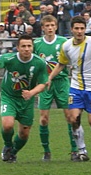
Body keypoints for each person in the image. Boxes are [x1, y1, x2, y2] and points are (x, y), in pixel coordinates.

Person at [47, 16, 91, 162]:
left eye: (82, 28)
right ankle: (82, 151)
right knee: (73, 118)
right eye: (76, 28)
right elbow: (61, 64)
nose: (79, 31)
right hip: (75, 88)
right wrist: (49, 78)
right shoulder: (66, 46)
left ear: (85, 29)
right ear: (71, 29)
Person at [0, 34, 50, 163]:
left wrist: (31, 92)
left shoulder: (39, 63)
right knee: (7, 125)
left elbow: (43, 83)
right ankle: (7, 145)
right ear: (18, 48)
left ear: (33, 47)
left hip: (26, 100)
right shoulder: (10, 59)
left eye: (29, 46)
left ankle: (12, 153)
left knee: (24, 134)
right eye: (23, 46)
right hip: (9, 97)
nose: (26, 49)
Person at [34, 15, 79, 161]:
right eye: (47, 26)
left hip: (62, 82)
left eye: (52, 25)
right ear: (43, 28)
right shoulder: (37, 43)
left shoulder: (63, 42)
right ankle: (46, 151)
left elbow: (70, 59)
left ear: (56, 26)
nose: (49, 28)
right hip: (45, 85)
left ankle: (74, 150)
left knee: (70, 117)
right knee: (44, 119)